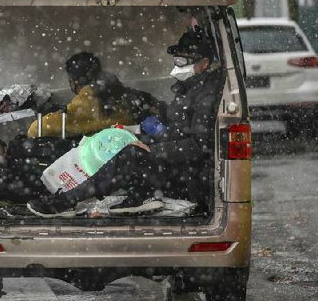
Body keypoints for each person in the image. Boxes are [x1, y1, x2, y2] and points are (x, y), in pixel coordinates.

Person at [27, 27, 223, 217]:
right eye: (176, 60)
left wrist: (151, 149)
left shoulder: (206, 95)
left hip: (187, 176)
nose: (178, 65)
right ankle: (138, 196)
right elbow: (176, 132)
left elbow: (199, 145)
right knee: (126, 146)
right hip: (176, 166)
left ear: (204, 63)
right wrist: (144, 138)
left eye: (183, 61)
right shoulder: (190, 89)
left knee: (129, 154)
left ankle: (65, 201)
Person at [27, 51, 159, 138]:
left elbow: (36, 129)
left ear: (74, 81)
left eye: (70, 79)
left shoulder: (89, 100)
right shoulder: (118, 90)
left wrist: (45, 118)